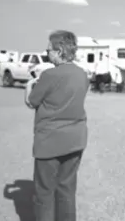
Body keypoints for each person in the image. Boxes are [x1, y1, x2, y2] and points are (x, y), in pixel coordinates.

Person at [25, 30, 89, 221]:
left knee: (44, 192)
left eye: (49, 51)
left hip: (50, 140)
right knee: (67, 189)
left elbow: (32, 102)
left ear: (60, 50)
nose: (47, 54)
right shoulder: (82, 74)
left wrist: (30, 84)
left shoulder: (49, 75)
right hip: (75, 139)